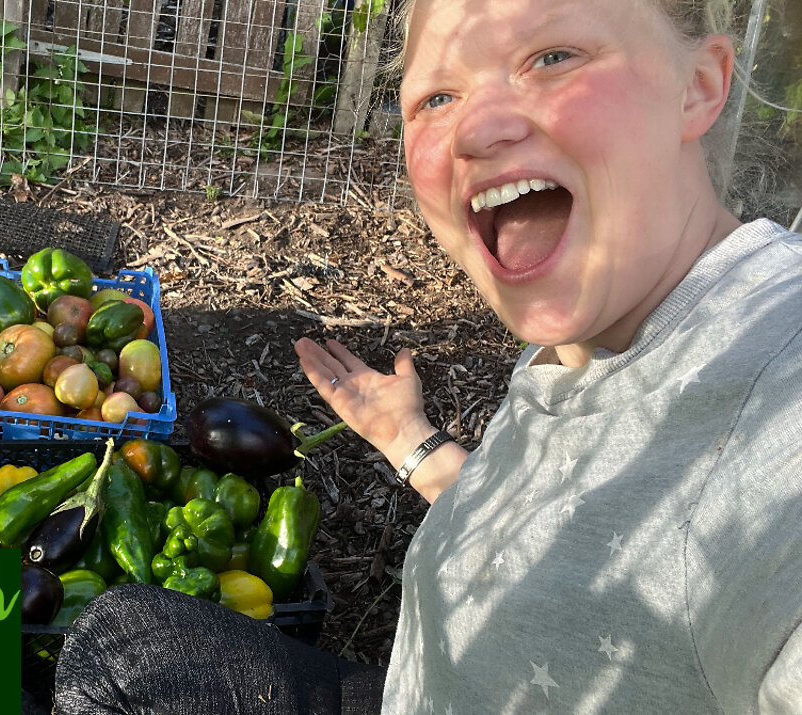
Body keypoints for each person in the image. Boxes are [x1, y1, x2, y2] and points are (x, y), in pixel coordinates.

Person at [53, 0, 802, 711]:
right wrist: (411, 441)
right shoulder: (586, 332)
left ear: (699, 87)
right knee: (121, 642)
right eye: (436, 98)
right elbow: (562, 527)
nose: (477, 128)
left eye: (552, 56)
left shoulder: (772, 378)